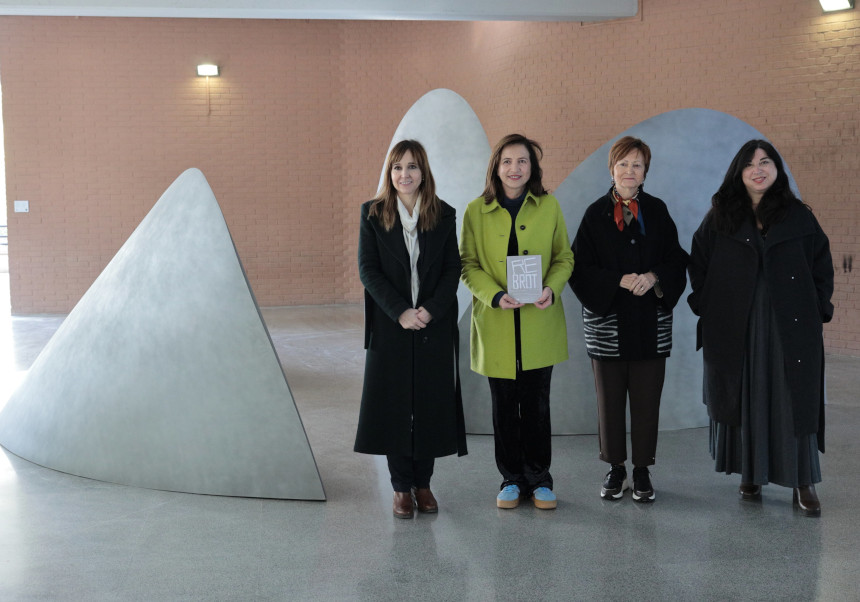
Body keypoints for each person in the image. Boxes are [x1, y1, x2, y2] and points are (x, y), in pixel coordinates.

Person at [688, 139, 833, 517]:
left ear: (776, 170)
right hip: (737, 325)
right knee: (745, 396)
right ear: (739, 172)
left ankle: (803, 481)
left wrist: (818, 307)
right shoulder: (721, 217)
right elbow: (699, 262)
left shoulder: (798, 216)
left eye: (766, 162)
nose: (758, 169)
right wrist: (707, 305)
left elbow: (821, 264)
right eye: (750, 164)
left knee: (792, 399)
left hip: (791, 324)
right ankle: (749, 473)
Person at [569, 136, 688, 503]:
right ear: (611, 169)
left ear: (645, 172)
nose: (629, 171)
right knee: (609, 401)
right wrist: (616, 280)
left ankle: (642, 469)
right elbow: (578, 267)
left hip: (650, 322)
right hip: (608, 323)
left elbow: (676, 259)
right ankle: (615, 467)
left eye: (637, 165)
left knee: (647, 399)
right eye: (623, 164)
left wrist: (653, 277)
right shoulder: (595, 214)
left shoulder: (657, 210)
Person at [460, 133, 574, 510]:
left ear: (532, 167)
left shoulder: (549, 206)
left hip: (539, 322)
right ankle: (511, 478)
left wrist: (552, 288)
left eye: (522, 161)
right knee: (504, 408)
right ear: (496, 167)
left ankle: (539, 479)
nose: (514, 168)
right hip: (497, 323)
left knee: (537, 406)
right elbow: (468, 265)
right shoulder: (475, 211)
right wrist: (494, 295)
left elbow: (564, 258)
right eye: (507, 161)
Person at [355, 139, 467, 519]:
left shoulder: (444, 214)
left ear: (423, 172)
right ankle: (401, 487)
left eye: (413, 166)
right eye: (398, 167)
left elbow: (452, 268)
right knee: (395, 406)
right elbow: (368, 270)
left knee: (429, 404)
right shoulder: (372, 214)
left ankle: (424, 483)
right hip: (391, 324)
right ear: (390, 173)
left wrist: (430, 310)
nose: (405, 174)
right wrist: (400, 311)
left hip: (432, 323)